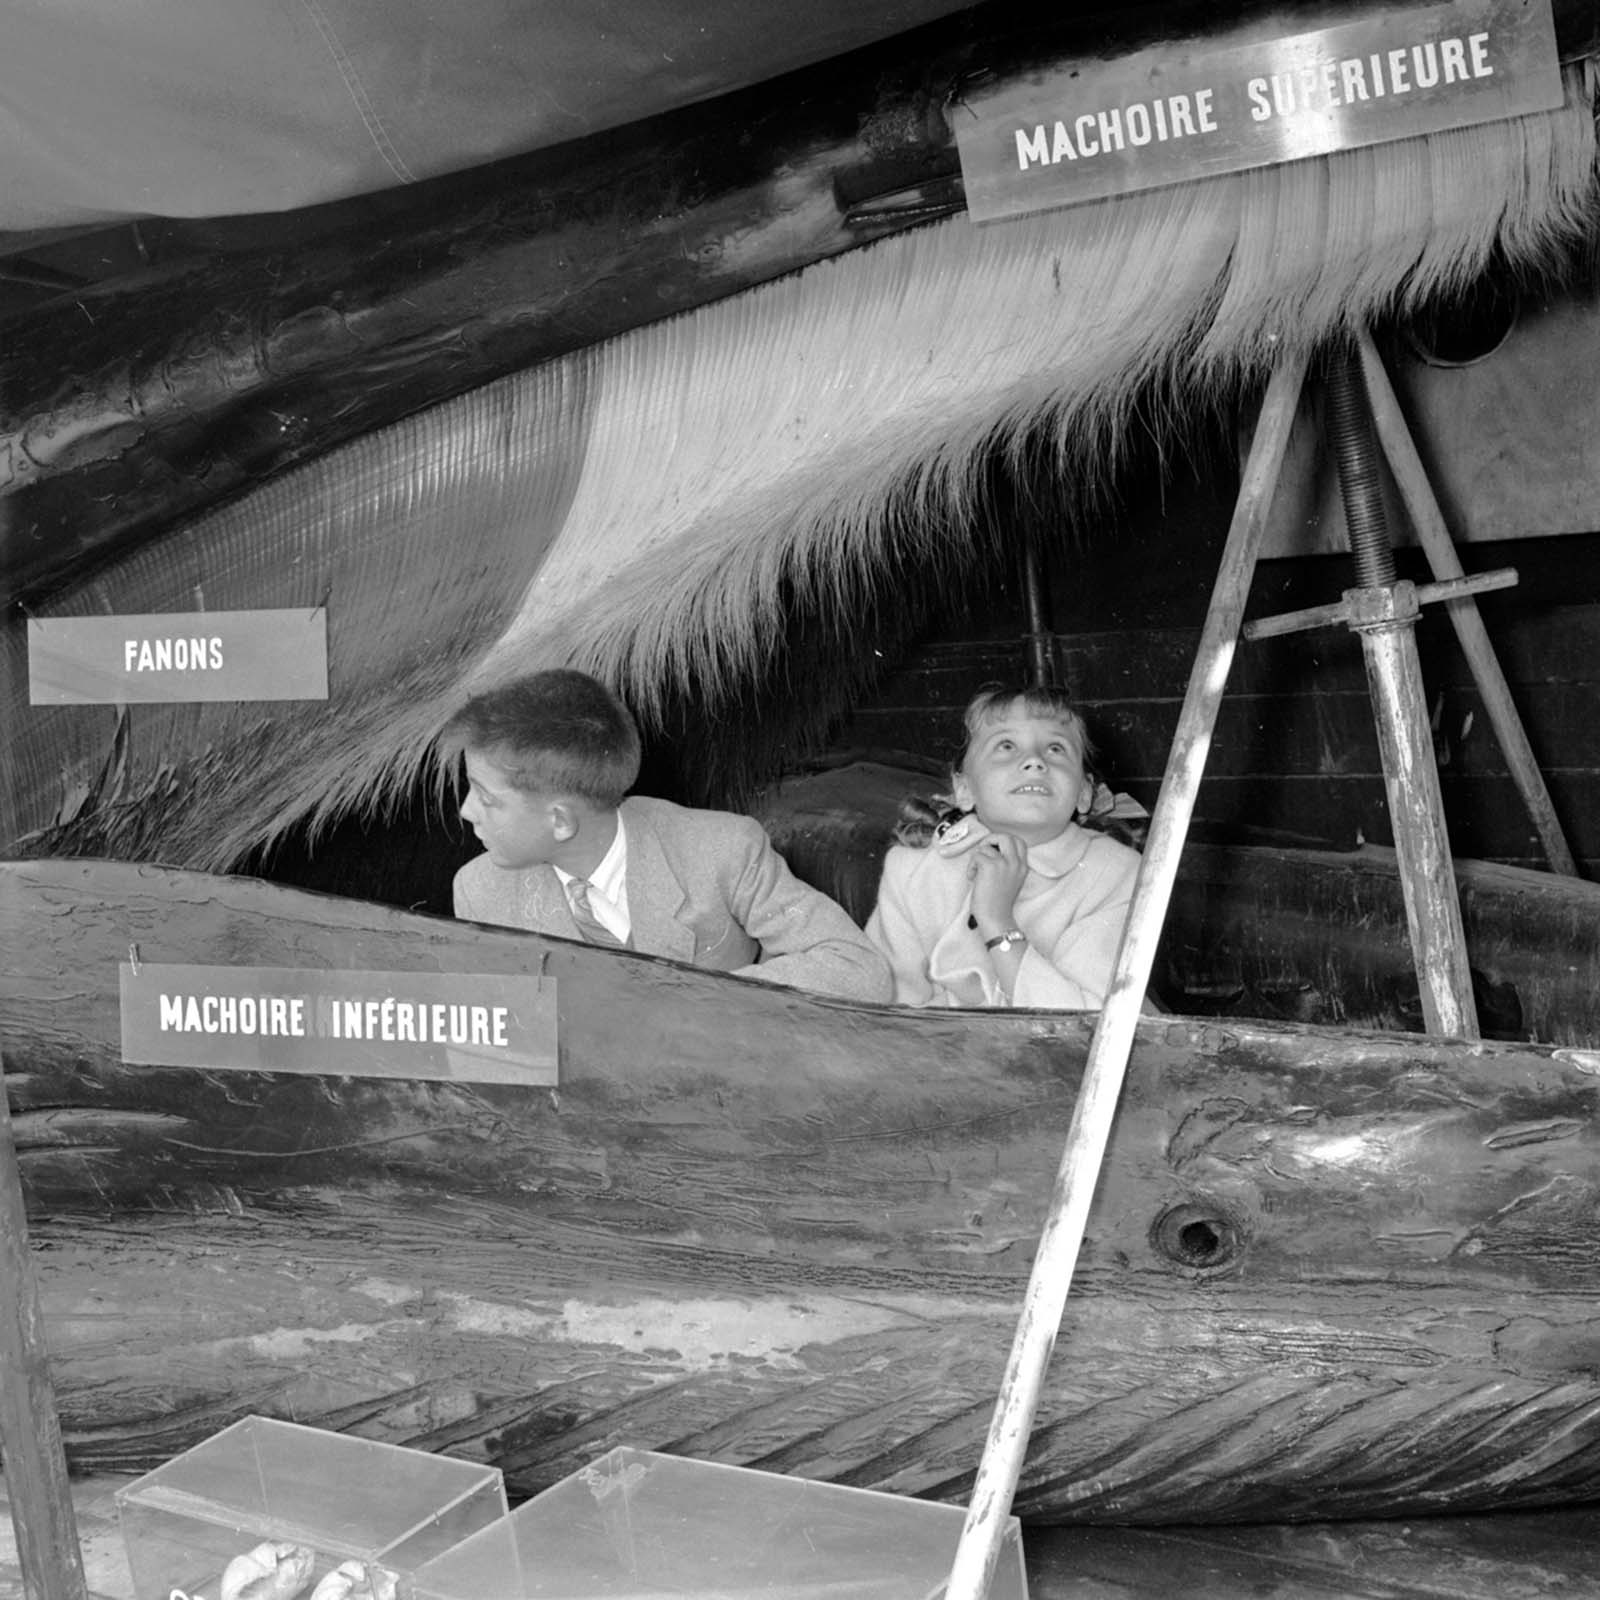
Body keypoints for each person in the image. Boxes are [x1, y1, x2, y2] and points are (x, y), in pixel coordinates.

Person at [445, 669, 892, 1002]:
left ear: (561, 820)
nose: (466, 811)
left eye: (485, 796)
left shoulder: (720, 851)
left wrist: (692, 1002)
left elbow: (858, 967)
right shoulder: (481, 891)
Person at [865, 685, 1141, 1009]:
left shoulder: (1116, 873)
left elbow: (1083, 1028)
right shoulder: (911, 871)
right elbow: (886, 1012)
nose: (1034, 761)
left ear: (1084, 792)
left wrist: (997, 920)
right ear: (965, 788)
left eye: (1055, 748)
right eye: (1006, 745)